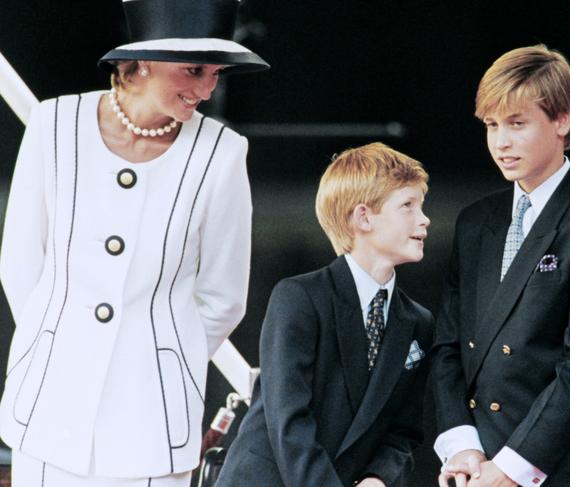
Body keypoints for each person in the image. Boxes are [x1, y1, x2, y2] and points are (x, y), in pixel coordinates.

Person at [0, 0, 269, 485]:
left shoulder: (223, 153)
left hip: (152, 421)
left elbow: (224, 297)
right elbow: (20, 263)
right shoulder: (53, 125)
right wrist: (59, 341)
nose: (207, 89)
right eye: (194, 70)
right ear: (143, 60)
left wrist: (162, 357)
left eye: (216, 73)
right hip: (48, 407)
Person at [432, 44, 570, 487]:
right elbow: (448, 346)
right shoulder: (474, 222)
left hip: (557, 470)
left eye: (517, 123)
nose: (500, 142)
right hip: (476, 467)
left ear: (562, 120)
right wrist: (462, 446)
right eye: (491, 125)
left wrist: (510, 468)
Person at [215, 142, 434, 486]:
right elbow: (289, 419)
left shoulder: (418, 322)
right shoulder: (300, 298)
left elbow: (403, 430)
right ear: (363, 217)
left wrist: (379, 478)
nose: (424, 219)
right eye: (408, 205)